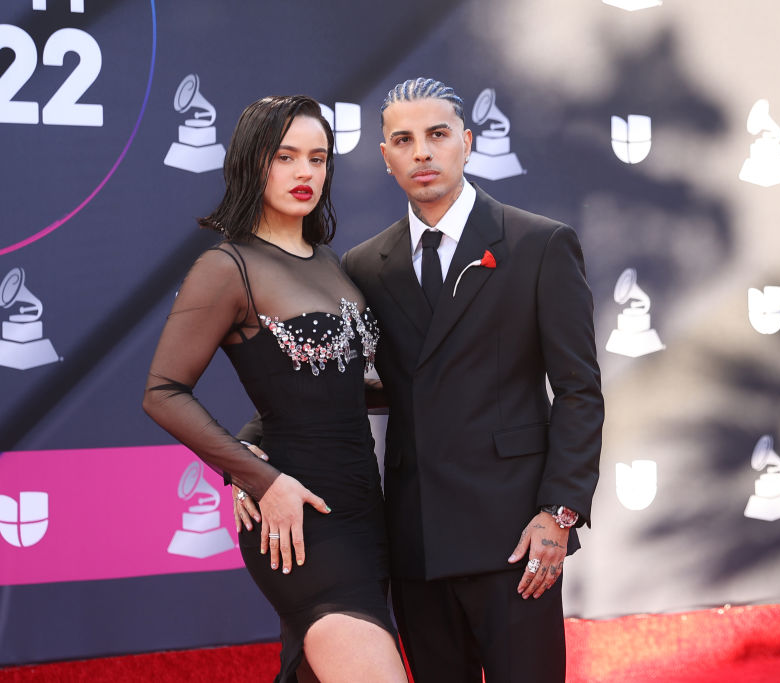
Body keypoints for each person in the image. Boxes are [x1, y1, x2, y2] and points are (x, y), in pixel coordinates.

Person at [241, 77, 604, 683]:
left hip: (514, 535)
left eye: (437, 135)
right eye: (403, 140)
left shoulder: (538, 245)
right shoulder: (363, 265)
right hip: (416, 538)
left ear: (466, 141)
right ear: (385, 158)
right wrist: (257, 438)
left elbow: (578, 390)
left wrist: (558, 514)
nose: (422, 153)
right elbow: (331, 375)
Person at [142, 95, 408, 683]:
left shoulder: (330, 261)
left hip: (367, 511)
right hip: (300, 519)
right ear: (251, 163)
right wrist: (256, 475)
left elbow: (319, 390)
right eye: (285, 156)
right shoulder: (227, 266)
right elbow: (162, 391)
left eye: (318, 158)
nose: (304, 172)